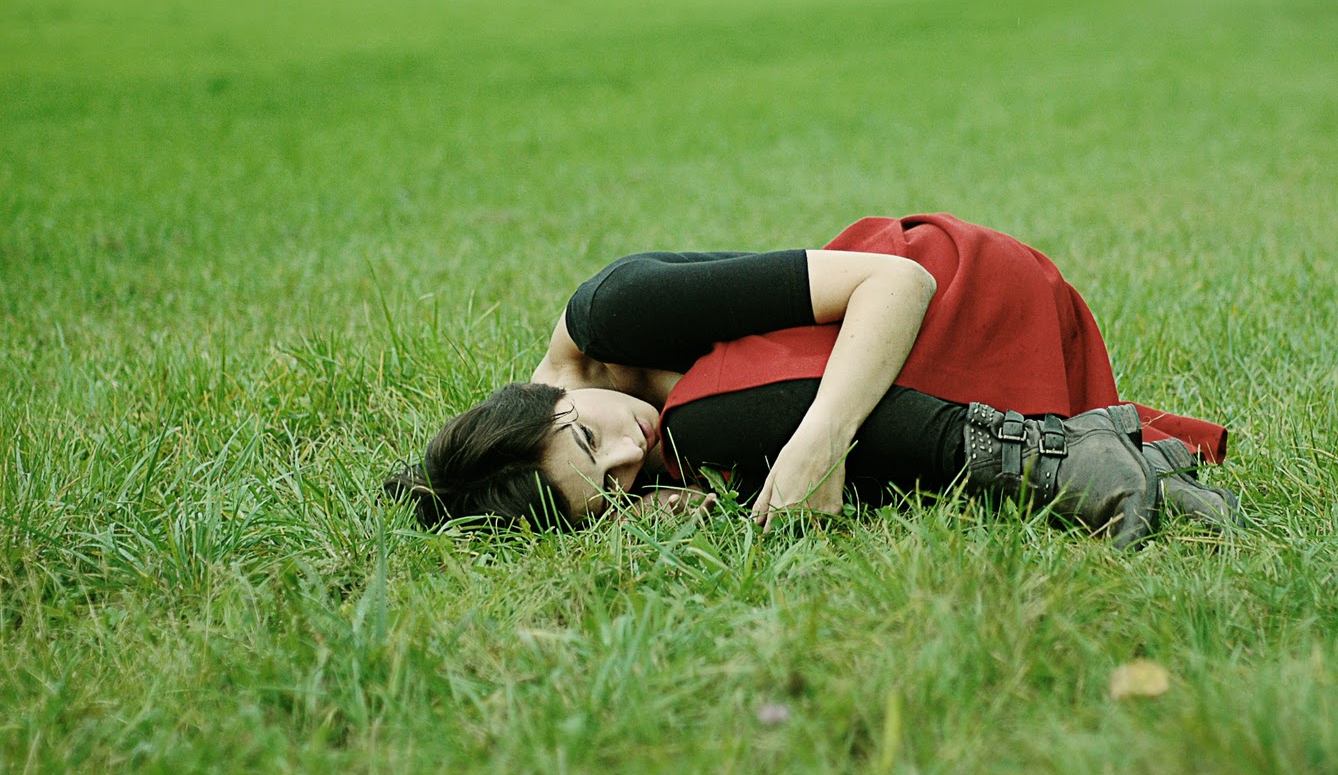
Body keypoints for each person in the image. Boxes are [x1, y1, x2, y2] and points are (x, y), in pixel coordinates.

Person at [385, 214, 1241, 548]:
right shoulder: (613, 456)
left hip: (955, 301)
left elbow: (896, 282)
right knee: (719, 445)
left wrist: (819, 441)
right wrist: (671, 503)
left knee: (712, 429)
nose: (624, 451)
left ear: (544, 397)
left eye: (587, 434)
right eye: (608, 488)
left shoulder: (618, 309)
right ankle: (1084, 456)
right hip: (889, 377)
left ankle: (1060, 455)